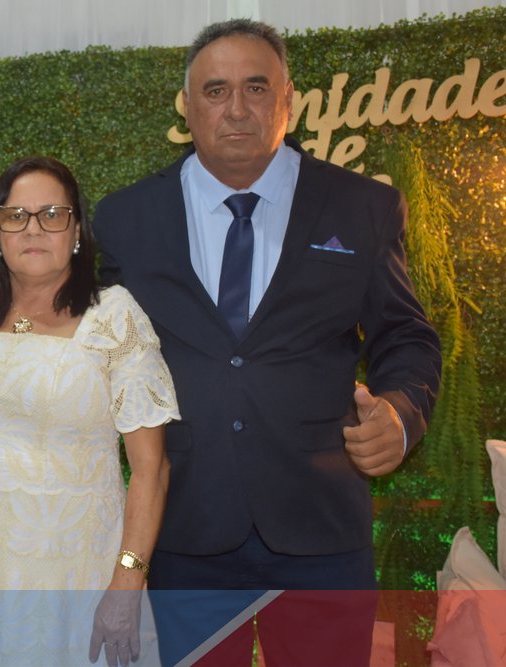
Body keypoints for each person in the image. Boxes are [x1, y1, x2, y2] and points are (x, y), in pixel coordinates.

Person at [94, 18, 442, 667]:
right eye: (216, 90)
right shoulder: (126, 219)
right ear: (187, 106)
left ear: (289, 101)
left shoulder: (361, 207)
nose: (236, 108)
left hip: (322, 532)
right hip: (187, 531)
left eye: (256, 88)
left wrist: (401, 412)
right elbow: (102, 354)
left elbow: (406, 335)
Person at [0, 156, 180, 666]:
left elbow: (151, 469)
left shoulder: (113, 316)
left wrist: (128, 580)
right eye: (15, 215)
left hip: (76, 577)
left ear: (77, 231)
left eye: (52, 214)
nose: (33, 228)